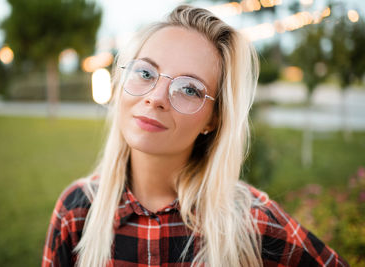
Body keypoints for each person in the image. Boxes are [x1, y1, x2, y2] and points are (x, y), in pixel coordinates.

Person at [42, 5, 348, 267]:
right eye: (146, 73)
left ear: (213, 120)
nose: (156, 97)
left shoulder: (252, 223)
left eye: (189, 89)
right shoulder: (77, 212)